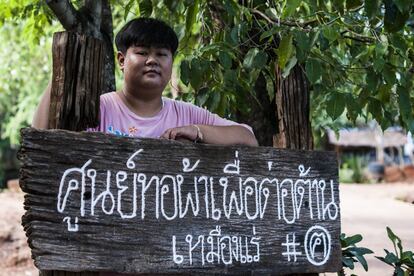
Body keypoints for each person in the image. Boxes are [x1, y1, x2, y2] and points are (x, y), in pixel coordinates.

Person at [32, 17, 258, 147]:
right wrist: (62, 70)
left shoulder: (186, 115)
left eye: (161, 54)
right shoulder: (99, 108)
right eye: (141, 53)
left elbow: (247, 137)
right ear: (121, 60)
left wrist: (197, 132)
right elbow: (40, 136)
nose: (152, 61)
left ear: (172, 62)